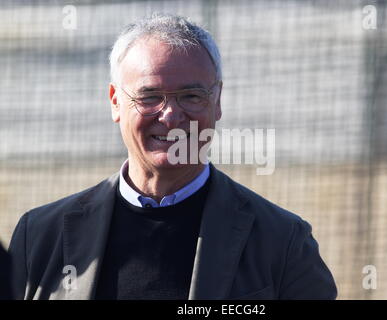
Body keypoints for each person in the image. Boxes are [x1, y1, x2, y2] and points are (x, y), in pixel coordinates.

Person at [8, 13, 337, 300]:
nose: (170, 116)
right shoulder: (39, 236)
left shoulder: (283, 242)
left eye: (191, 96)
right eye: (149, 96)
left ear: (217, 101)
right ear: (114, 102)